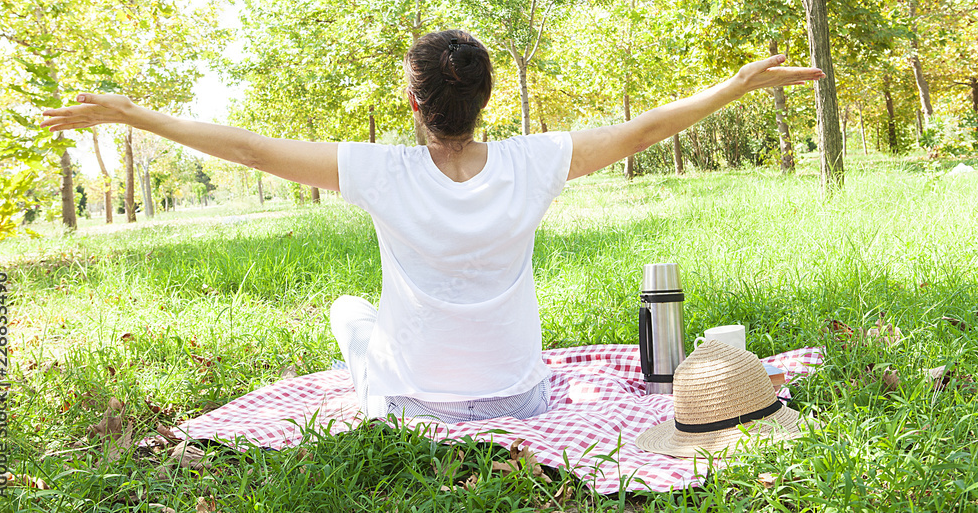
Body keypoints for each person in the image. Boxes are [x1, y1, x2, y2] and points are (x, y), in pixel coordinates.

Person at [41, 29, 823, 424]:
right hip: (523, 400)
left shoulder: (380, 170)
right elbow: (644, 130)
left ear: (415, 102)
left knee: (350, 311)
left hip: (412, 406)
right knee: (363, 313)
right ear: (485, 100)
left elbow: (247, 146)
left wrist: (133, 112)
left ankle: (368, 351)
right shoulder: (533, 161)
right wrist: (735, 84)